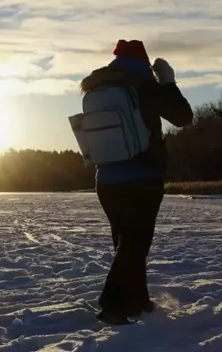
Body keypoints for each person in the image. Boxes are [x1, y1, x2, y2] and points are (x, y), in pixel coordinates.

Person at [79, 39, 194, 323]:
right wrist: (168, 82)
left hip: (106, 180)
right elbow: (183, 117)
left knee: (127, 244)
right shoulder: (145, 86)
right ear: (145, 63)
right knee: (135, 244)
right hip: (142, 177)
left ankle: (138, 302)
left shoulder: (97, 88)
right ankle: (113, 305)